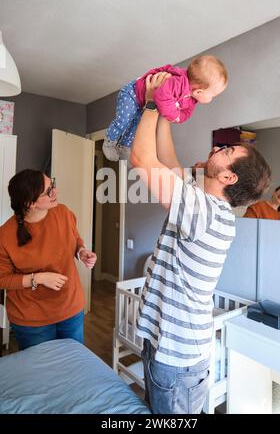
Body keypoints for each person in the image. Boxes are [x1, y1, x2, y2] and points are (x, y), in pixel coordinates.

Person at [130, 73, 271, 415]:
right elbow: (167, 159)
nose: (217, 149)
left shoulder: (206, 212)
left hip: (178, 360)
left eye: (226, 151)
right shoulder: (202, 201)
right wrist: (167, 109)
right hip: (163, 344)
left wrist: (150, 101)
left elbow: (143, 160)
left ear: (228, 177)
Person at [0, 170, 97, 350]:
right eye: (49, 191)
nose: (56, 192)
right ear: (30, 203)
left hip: (70, 309)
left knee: (74, 366)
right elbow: (2, 279)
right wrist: (38, 278)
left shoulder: (63, 212)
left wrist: (81, 251)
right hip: (31, 320)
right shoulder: (5, 235)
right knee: (43, 376)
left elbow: (74, 238)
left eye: (52, 185)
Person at [103, 55, 228, 161]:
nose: (212, 99)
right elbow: (161, 97)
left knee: (136, 126)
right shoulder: (177, 82)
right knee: (124, 120)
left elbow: (186, 114)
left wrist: (178, 116)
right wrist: (175, 114)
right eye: (213, 95)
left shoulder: (191, 99)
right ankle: (110, 141)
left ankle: (124, 147)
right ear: (199, 91)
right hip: (133, 94)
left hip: (143, 104)